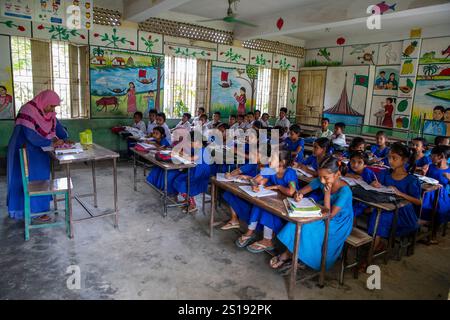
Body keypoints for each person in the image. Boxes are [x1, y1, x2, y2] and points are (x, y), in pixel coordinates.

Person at [270, 156, 353, 271]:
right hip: (323, 211)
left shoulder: (345, 191)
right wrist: (298, 195)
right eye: (320, 177)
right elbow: (302, 191)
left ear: (337, 174)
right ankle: (295, 255)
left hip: (338, 222)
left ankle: (290, 255)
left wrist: (327, 194)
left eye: (326, 178)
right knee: (297, 223)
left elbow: (330, 215)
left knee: (306, 226)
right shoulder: (321, 180)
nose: (322, 181)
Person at [7, 90, 68, 221]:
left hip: (41, 150)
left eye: (54, 107)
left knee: (41, 180)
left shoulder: (49, 113)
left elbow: (59, 129)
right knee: (21, 179)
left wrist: (65, 138)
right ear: (44, 101)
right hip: (23, 148)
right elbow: (31, 136)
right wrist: (52, 141)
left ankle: (40, 211)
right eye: (51, 105)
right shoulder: (27, 110)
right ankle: (19, 211)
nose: (52, 109)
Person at [235, 152, 298, 253]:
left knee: (267, 209)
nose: (269, 161)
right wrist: (254, 185)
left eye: (273, 159)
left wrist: (277, 187)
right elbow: (255, 180)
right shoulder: (270, 169)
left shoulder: (290, 173)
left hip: (288, 204)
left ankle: (267, 240)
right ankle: (250, 232)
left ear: (282, 162)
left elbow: (291, 192)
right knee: (258, 205)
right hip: (274, 198)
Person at [367, 142, 421, 254]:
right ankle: (376, 244)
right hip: (386, 206)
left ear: (404, 160)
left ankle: (371, 251)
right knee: (379, 214)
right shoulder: (385, 173)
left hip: (403, 213)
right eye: (389, 158)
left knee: (381, 217)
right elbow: (379, 188)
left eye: (394, 158)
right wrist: (374, 184)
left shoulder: (411, 180)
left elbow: (418, 202)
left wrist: (400, 193)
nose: (390, 161)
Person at [173, 131, 212, 213]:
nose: (189, 144)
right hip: (195, 169)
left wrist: (181, 155)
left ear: (197, 142)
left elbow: (191, 159)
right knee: (179, 180)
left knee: (186, 184)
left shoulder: (203, 150)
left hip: (200, 172)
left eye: (191, 142)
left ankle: (192, 205)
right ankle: (187, 200)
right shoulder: (198, 148)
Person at [420, 145, 450, 226]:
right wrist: (423, 173)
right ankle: (426, 220)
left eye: (432, 155)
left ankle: (431, 222)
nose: (430, 157)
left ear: (441, 156)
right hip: (427, 192)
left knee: (439, 206)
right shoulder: (430, 166)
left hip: (441, 195)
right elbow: (424, 180)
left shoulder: (449, 170)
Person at [345, 151, 378, 217]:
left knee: (352, 212)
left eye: (359, 162)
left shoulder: (367, 173)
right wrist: (348, 174)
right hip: (353, 196)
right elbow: (342, 173)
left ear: (365, 164)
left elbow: (372, 186)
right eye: (353, 161)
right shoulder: (350, 169)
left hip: (364, 199)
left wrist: (373, 184)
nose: (355, 164)